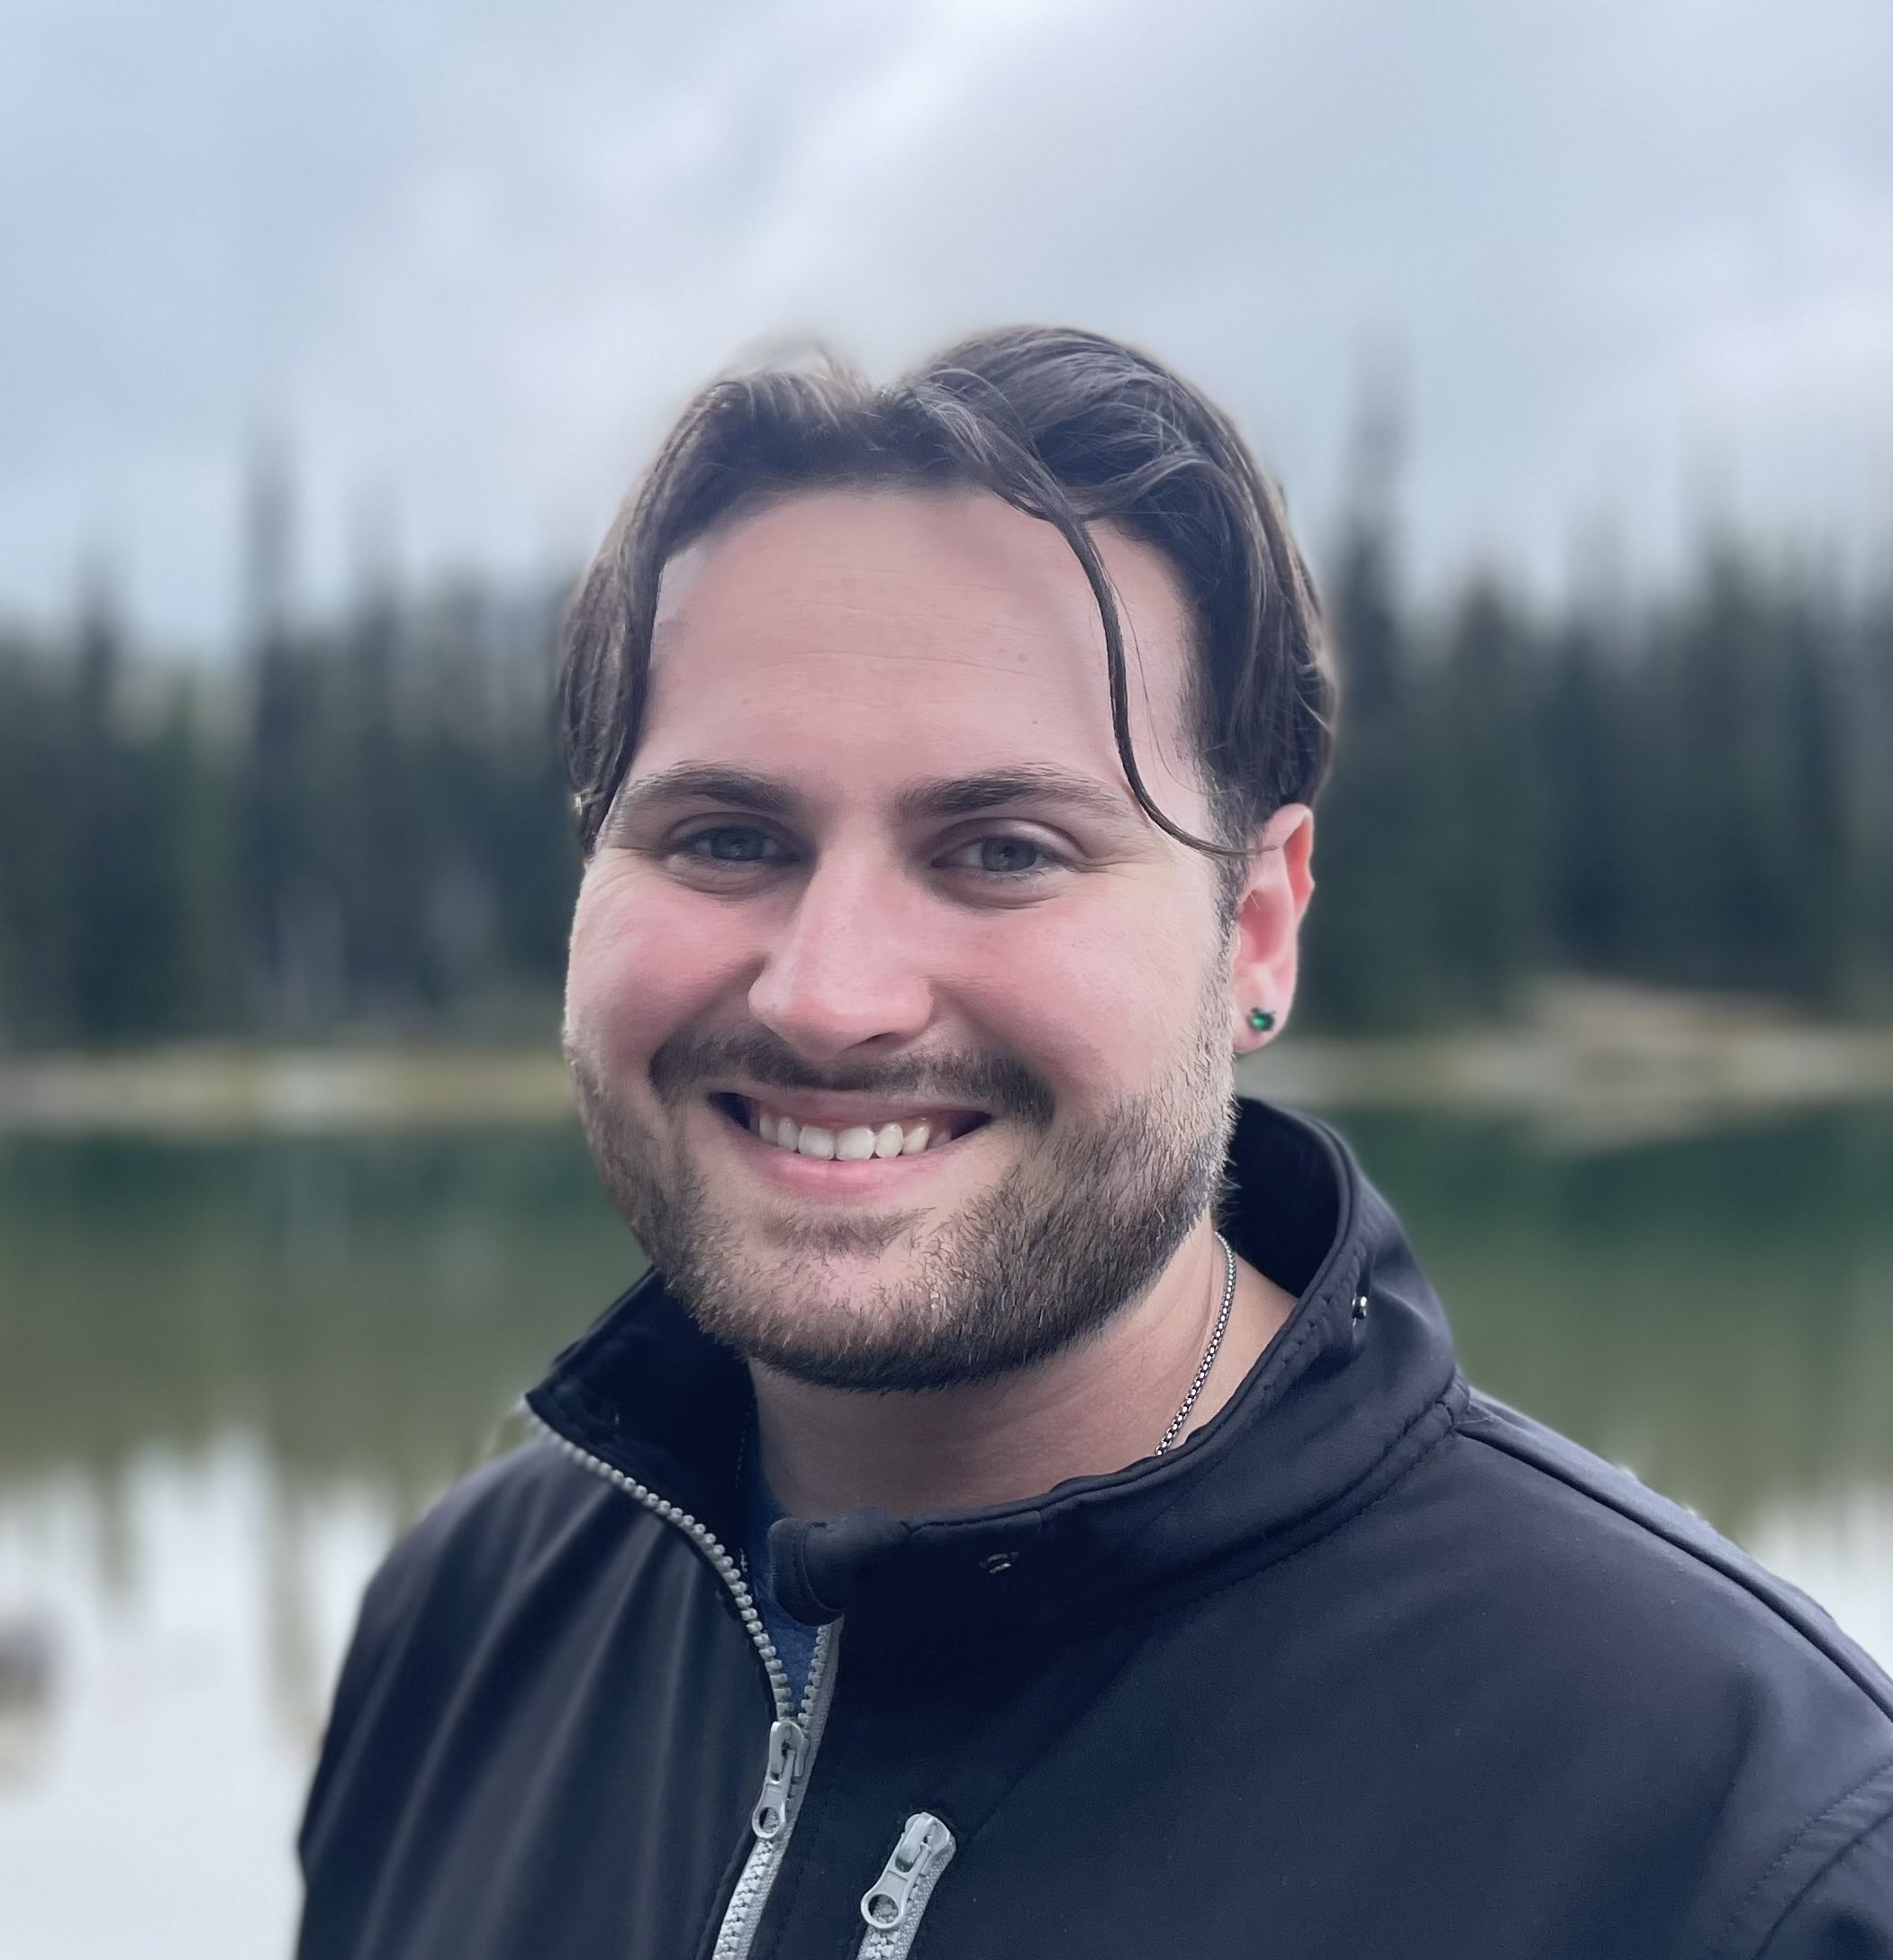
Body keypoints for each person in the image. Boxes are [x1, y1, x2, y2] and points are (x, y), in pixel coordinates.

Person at [296, 327, 1893, 1959]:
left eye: (1001, 847)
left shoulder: (1737, 1844)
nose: (831, 996)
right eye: (724, 838)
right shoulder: (462, 1628)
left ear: (1255, 930)